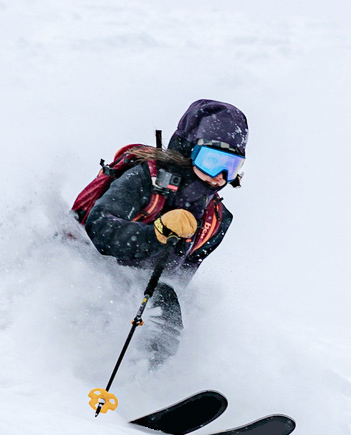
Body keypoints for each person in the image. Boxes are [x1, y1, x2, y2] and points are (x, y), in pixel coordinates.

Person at [83, 99, 248, 366]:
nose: (219, 175)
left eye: (231, 167)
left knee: (171, 315)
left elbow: (180, 275)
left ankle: (146, 383)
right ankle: (82, 374)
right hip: (90, 266)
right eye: (212, 160)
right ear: (189, 151)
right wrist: (154, 235)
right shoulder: (145, 180)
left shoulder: (216, 220)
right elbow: (98, 227)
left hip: (139, 283)